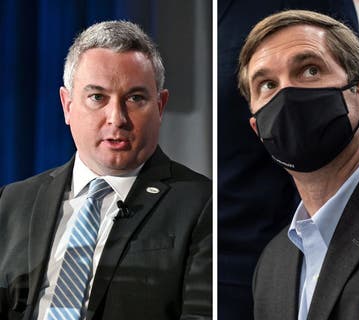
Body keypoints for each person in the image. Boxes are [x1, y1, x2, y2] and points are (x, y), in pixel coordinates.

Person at [0, 21, 212, 319]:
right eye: (98, 97)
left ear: (160, 106)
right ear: (67, 105)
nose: (117, 118)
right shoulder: (11, 202)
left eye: (135, 98)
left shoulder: (203, 206)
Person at [237, 10, 359, 320]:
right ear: (257, 130)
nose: (287, 95)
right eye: (266, 84)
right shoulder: (271, 265)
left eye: (309, 71)